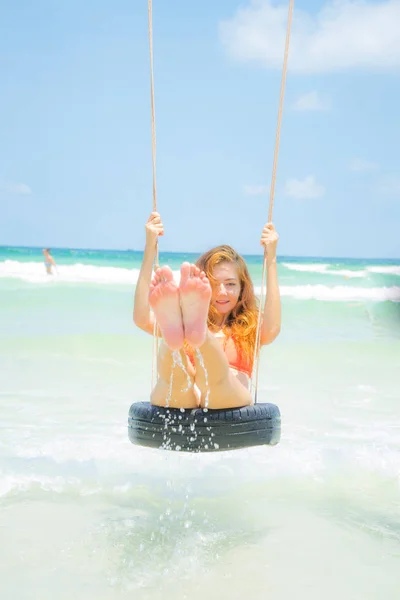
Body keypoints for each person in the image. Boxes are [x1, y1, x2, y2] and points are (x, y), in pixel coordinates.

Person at [133, 212, 281, 410]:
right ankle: (176, 335)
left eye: (230, 284)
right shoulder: (183, 326)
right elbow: (141, 317)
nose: (222, 292)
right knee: (175, 375)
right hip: (180, 398)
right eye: (214, 284)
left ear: (242, 288)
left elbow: (272, 328)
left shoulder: (249, 329)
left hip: (226, 396)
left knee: (217, 378)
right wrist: (149, 247)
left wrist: (271, 258)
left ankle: (198, 335)